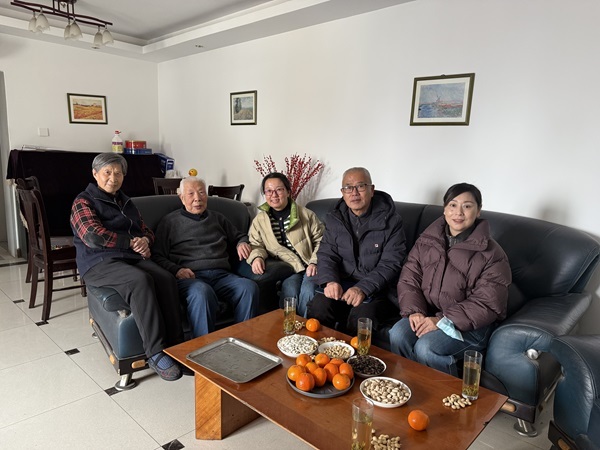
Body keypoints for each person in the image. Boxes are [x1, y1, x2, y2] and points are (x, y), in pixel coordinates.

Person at [70, 153, 184, 381]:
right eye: (107, 172)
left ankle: (176, 346)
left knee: (165, 278)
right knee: (139, 281)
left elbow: (145, 229)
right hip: (97, 262)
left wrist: (145, 240)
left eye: (118, 173)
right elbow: (92, 236)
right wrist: (130, 242)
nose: (113, 178)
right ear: (95, 174)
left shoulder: (126, 202)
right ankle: (155, 353)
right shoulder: (83, 202)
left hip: (128, 257)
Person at [389, 183, 511, 376]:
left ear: (478, 211)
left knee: (427, 347)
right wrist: (415, 311)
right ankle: (408, 384)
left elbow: (487, 303)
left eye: (467, 206)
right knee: (398, 334)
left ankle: (442, 392)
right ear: (445, 209)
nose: (459, 212)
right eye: (453, 205)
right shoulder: (427, 240)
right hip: (430, 313)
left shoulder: (492, 254)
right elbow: (409, 278)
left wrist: (441, 321)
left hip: (471, 326)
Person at [152, 176, 259, 338]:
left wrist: (242, 243)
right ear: (181, 198)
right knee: (202, 292)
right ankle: (202, 348)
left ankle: (243, 342)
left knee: (249, 288)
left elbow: (239, 236)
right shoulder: (169, 222)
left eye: (201, 192)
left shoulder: (218, 218)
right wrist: (176, 270)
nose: (197, 198)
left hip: (222, 276)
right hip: (191, 278)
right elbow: (157, 255)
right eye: (191, 194)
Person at [308, 167, 407, 336]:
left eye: (360, 186)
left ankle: (351, 355)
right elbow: (326, 254)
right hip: (342, 282)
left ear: (371, 190)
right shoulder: (335, 218)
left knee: (361, 319)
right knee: (318, 308)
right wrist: (330, 281)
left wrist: (362, 288)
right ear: (343, 192)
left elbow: (391, 263)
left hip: (377, 289)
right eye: (348, 187)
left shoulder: (392, 221)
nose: (354, 193)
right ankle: (320, 352)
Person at [245, 172, 324, 317]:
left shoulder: (306, 215)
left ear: (288, 191)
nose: (274, 195)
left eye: (279, 190)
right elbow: (255, 244)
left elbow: (322, 241)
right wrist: (257, 257)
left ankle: (305, 329)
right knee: (289, 291)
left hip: (310, 266)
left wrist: (315, 262)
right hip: (288, 269)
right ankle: (287, 328)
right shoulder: (260, 220)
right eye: (269, 191)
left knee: (308, 291)